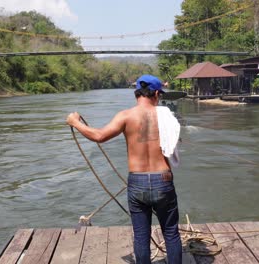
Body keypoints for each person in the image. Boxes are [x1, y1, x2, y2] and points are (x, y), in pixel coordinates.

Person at [66, 75, 182, 264]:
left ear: (136, 93)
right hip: (163, 179)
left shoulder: (126, 116)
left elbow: (99, 136)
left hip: (137, 182)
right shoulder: (166, 115)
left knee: (141, 236)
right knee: (170, 233)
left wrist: (75, 122)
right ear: (157, 93)